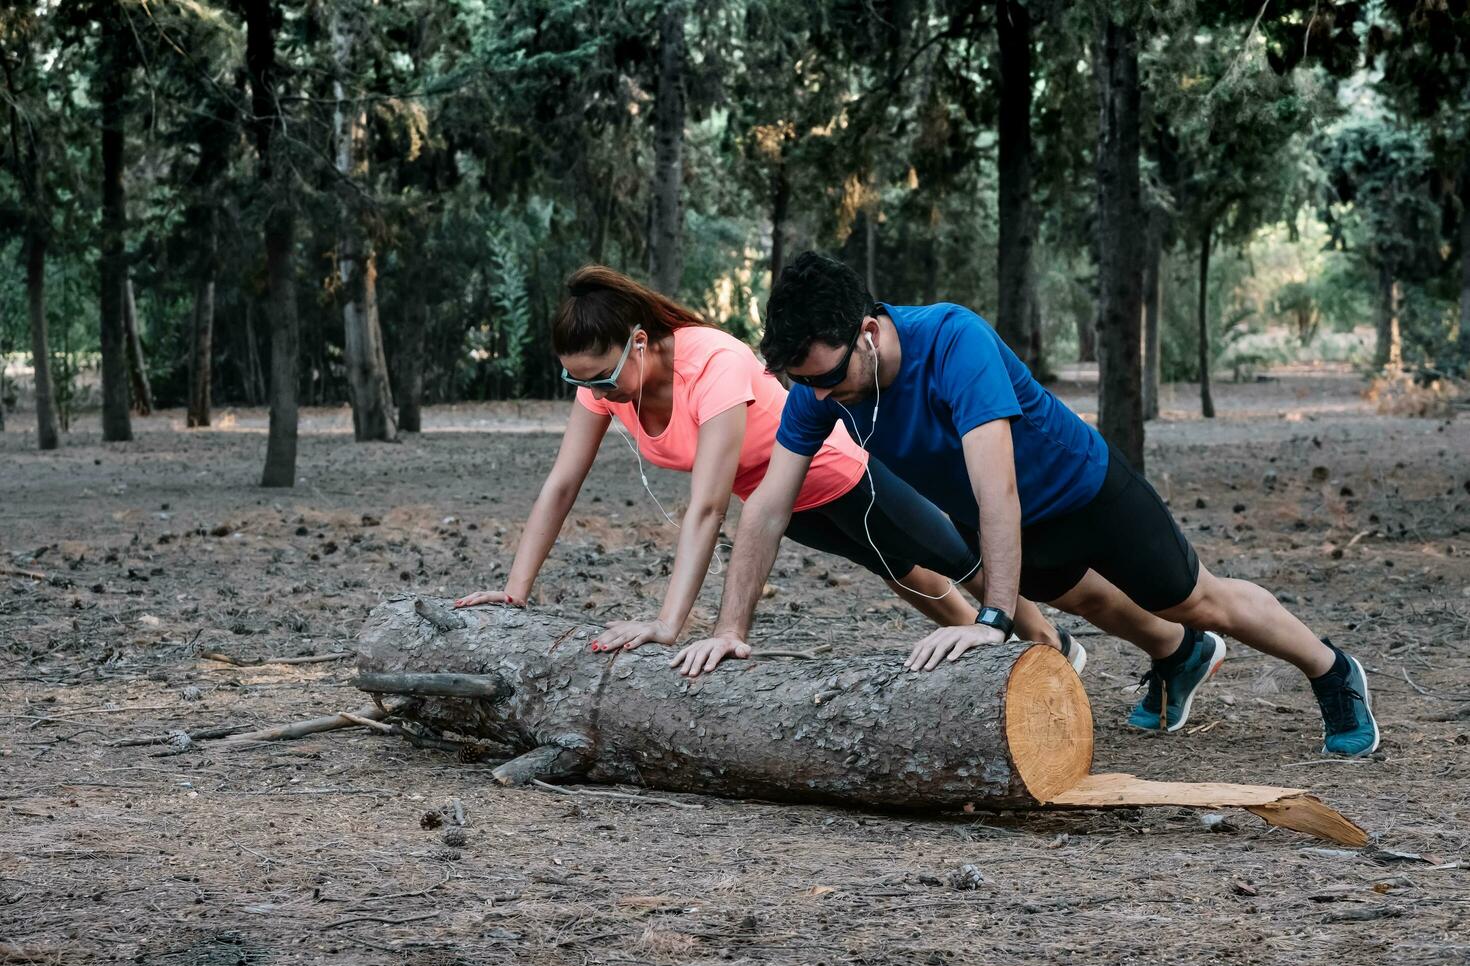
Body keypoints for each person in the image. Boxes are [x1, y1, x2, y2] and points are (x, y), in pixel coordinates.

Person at [677, 252, 1379, 757]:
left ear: (865, 330)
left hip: (1087, 494)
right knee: (1096, 606)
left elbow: (997, 486)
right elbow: (768, 505)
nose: (821, 397)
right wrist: (732, 626)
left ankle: (1332, 670)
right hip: (1016, 530)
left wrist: (992, 617)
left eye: (829, 378)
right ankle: (1182, 659)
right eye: (807, 384)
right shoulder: (817, 388)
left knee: (1196, 598)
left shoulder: (954, 341)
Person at [455, 265, 1080, 675]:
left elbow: (706, 507)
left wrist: (668, 625)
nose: (593, 391)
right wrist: (516, 591)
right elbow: (561, 484)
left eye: (601, 376)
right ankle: (995, 678)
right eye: (578, 379)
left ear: (639, 343)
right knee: (903, 574)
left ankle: (1054, 649)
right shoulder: (605, 385)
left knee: (954, 561)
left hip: (842, 474)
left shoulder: (715, 365)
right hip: (781, 503)